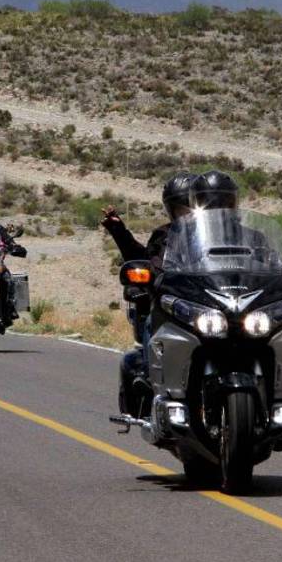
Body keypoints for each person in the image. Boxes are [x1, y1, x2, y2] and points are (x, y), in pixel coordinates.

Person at [101, 173, 195, 417]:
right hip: (178, 304)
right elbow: (143, 259)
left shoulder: (227, 237)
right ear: (172, 210)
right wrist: (118, 230)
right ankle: (147, 372)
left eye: (193, 206)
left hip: (214, 305)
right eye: (182, 208)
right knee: (154, 319)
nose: (188, 213)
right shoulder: (165, 235)